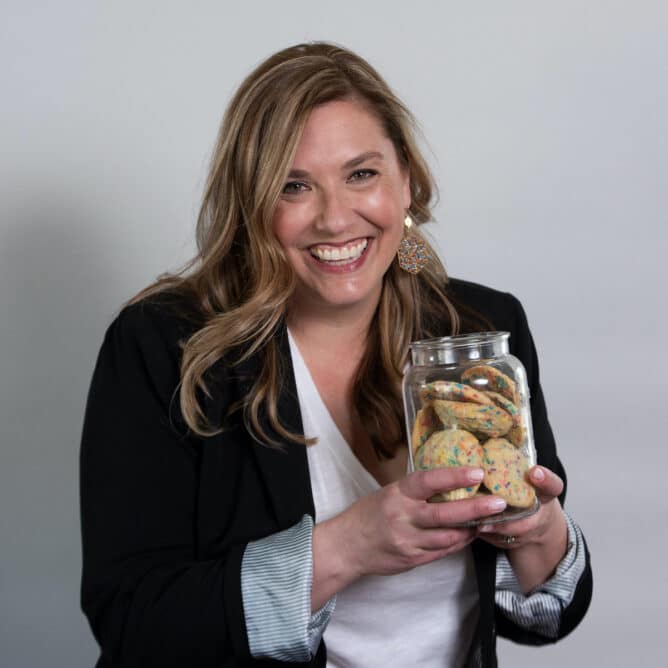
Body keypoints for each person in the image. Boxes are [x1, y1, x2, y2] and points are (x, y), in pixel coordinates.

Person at [79, 42, 592, 667]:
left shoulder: (481, 330)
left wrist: (539, 532)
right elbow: (132, 620)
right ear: (252, 204)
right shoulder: (165, 346)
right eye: (294, 186)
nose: (334, 217)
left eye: (361, 174)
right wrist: (349, 546)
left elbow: (545, 615)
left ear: (405, 179)